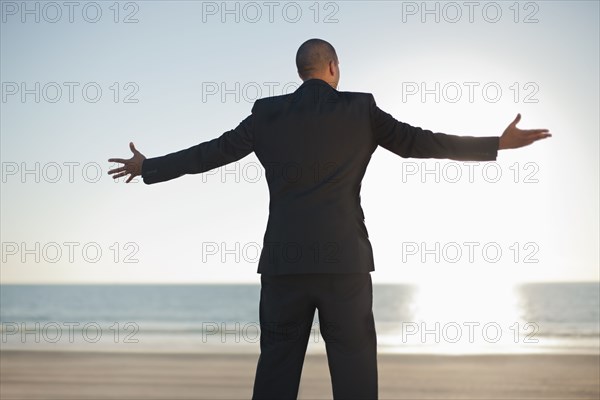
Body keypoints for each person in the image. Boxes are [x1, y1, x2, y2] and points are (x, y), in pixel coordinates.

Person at [108, 38, 551, 399]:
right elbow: (422, 143)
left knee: (277, 373)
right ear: (333, 68)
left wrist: (149, 167)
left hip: (285, 264)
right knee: (355, 375)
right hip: (345, 263)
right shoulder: (362, 110)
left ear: (301, 71)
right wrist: (497, 143)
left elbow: (211, 153)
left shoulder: (267, 113)